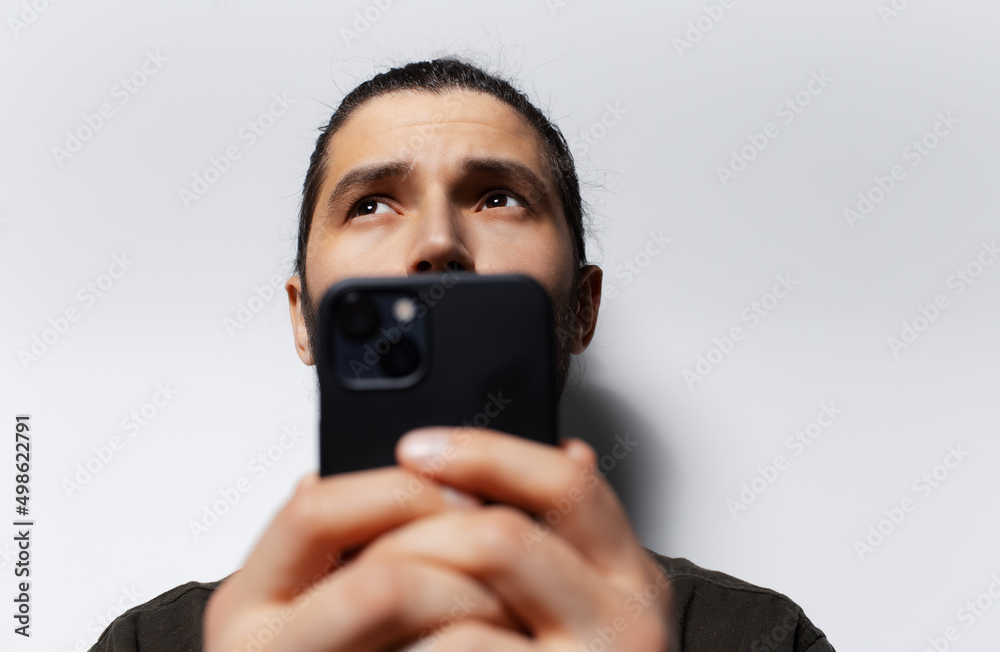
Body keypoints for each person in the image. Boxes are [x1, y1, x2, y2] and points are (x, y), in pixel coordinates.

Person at [89, 58, 835, 651]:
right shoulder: (155, 644)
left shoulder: (757, 637)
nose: (439, 241)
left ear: (581, 307)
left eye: (497, 196)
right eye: (372, 202)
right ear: (305, 320)